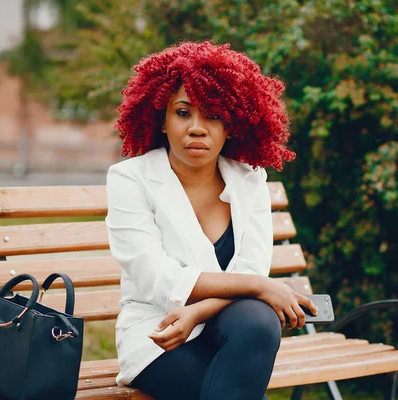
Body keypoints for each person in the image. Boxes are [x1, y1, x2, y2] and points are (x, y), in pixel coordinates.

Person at [106, 41, 317, 400]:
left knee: (259, 321)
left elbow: (252, 274)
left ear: (232, 125)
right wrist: (259, 287)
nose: (197, 128)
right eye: (184, 113)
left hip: (229, 328)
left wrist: (203, 310)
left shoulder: (250, 179)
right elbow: (159, 279)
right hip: (159, 335)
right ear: (161, 118)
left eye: (213, 115)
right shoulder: (130, 179)